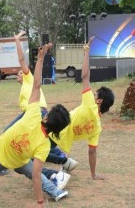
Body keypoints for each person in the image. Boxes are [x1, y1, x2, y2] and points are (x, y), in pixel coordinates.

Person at [0, 43, 71, 208]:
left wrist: (41, 58)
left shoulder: (34, 114)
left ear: (45, 118)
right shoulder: (44, 145)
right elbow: (36, 175)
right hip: (19, 161)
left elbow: (36, 84)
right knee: (32, 172)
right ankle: (55, 191)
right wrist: (40, 202)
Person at [6, 31, 76, 180]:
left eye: (21, 72)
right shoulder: (24, 86)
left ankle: (52, 173)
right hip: (36, 112)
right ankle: (64, 161)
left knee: (10, 135)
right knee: (39, 142)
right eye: (19, 73)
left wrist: (17, 40)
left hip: (36, 112)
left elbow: (21, 59)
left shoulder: (28, 78)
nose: (19, 74)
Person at [48, 36, 115, 180]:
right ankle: (64, 160)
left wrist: (86, 51)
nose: (93, 92)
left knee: (32, 155)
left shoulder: (90, 103)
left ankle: (63, 162)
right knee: (39, 153)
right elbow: (92, 151)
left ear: (99, 100)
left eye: (95, 93)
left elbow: (85, 76)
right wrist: (93, 175)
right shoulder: (97, 127)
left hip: (54, 128)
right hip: (63, 141)